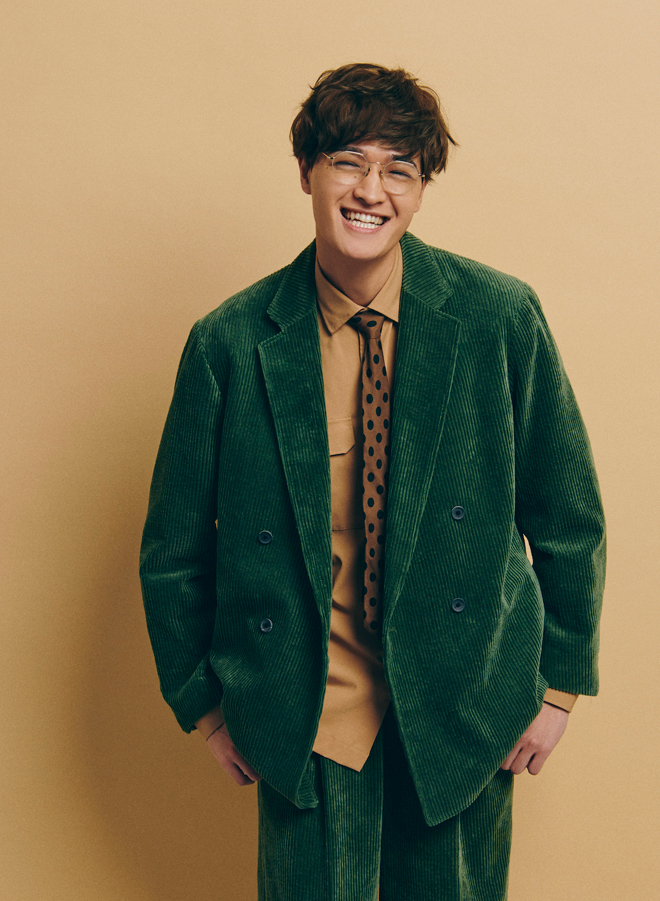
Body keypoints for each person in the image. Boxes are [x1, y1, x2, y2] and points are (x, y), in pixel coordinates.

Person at [140, 63, 605, 900]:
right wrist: (205, 705)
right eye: (348, 161)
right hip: (303, 717)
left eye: (400, 169)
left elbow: (568, 515)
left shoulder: (499, 318)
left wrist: (561, 687)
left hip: (464, 707)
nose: (371, 190)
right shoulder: (230, 342)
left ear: (421, 190)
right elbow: (173, 551)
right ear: (307, 172)